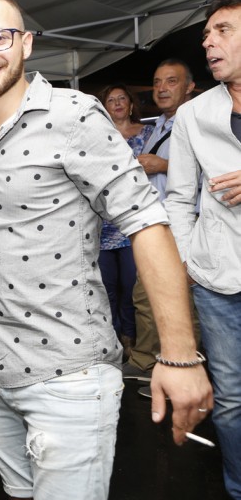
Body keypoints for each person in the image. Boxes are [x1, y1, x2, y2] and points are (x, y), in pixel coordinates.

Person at [0, 0, 212, 500]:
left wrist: (180, 356)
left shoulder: (73, 115)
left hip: (68, 377)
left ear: (26, 44)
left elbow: (147, 222)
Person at [165, 0, 241, 499]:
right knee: (231, 400)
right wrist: (189, 260)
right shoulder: (193, 115)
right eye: (207, 34)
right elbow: (178, 197)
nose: (209, 42)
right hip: (218, 280)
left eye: (223, 31)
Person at [123, 59, 196, 383]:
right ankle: (149, 361)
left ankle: (177, 367)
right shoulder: (159, 125)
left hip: (185, 224)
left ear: (189, 86)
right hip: (155, 221)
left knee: (181, 298)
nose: (162, 89)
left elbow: (214, 173)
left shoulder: (195, 119)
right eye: (157, 82)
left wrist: (163, 165)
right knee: (146, 294)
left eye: (171, 81)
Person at [98, 84, 153, 355]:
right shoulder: (96, 137)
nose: (118, 103)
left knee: (133, 286)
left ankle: (131, 337)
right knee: (106, 288)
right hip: (102, 225)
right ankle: (114, 341)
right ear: (105, 108)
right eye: (111, 100)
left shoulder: (148, 133)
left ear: (131, 105)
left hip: (135, 222)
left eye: (122, 99)